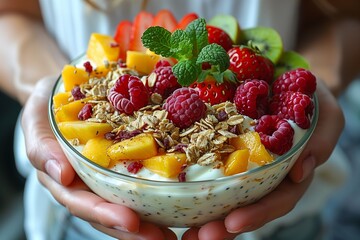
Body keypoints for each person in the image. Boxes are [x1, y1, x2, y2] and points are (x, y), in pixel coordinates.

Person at [1, 0, 356, 239]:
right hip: (85, 215)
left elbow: (345, 12)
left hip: (287, 219)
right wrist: (44, 87)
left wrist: (320, 79)